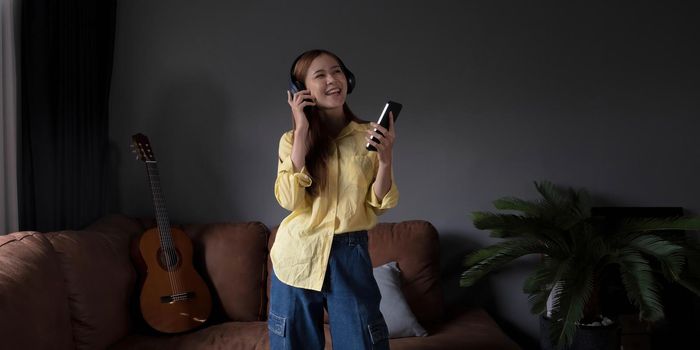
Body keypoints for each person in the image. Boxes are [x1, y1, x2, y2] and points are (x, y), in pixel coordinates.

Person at [269, 49, 399, 350]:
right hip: (297, 254)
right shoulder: (291, 140)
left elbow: (378, 203)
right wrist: (301, 131)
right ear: (302, 91)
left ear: (348, 79)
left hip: (350, 254)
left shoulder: (369, 134)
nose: (333, 80)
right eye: (321, 75)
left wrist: (386, 160)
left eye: (337, 71)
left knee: (362, 342)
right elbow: (289, 199)